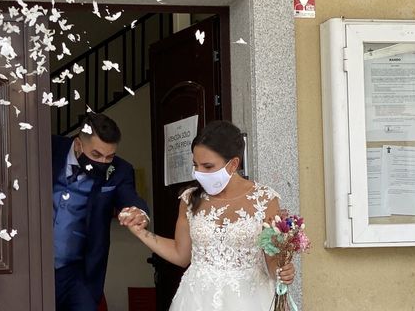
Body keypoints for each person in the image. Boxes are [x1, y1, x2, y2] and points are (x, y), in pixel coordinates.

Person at [122, 120, 295, 310]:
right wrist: (141, 232)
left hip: (250, 298)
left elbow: (272, 261)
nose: (199, 173)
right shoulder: (189, 199)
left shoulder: (265, 200)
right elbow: (181, 255)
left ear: (233, 164)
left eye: (208, 166)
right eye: (195, 165)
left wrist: (282, 270)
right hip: (197, 299)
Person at [52, 112, 149, 311]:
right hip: (31, 268)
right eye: (96, 155)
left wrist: (138, 212)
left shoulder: (120, 170)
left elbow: (129, 198)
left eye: (109, 157)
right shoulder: (48, 149)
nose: (103, 162)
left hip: (79, 274)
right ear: (78, 145)